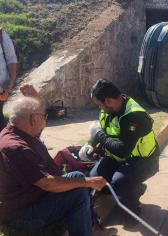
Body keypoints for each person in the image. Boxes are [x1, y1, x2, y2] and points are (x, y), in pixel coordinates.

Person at [0, 85, 107, 236]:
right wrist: (89, 182)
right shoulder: (16, 148)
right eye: (44, 117)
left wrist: (37, 100)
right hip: (23, 215)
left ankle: (91, 228)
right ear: (34, 119)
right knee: (79, 194)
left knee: (76, 176)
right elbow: (48, 183)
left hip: (32, 198)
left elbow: (35, 114)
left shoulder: (19, 131)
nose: (45, 120)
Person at [81, 79, 159, 219]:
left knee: (119, 182)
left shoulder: (133, 116)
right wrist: (90, 144)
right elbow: (104, 132)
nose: (100, 108)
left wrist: (99, 135)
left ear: (108, 101)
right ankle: (133, 189)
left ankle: (133, 209)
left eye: (99, 104)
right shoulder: (108, 111)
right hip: (120, 158)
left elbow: (123, 150)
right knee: (95, 178)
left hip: (143, 161)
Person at [0, 28, 18, 131]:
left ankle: (4, 144)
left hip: (1, 88)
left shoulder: (1, 35)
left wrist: (10, 85)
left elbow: (11, 58)